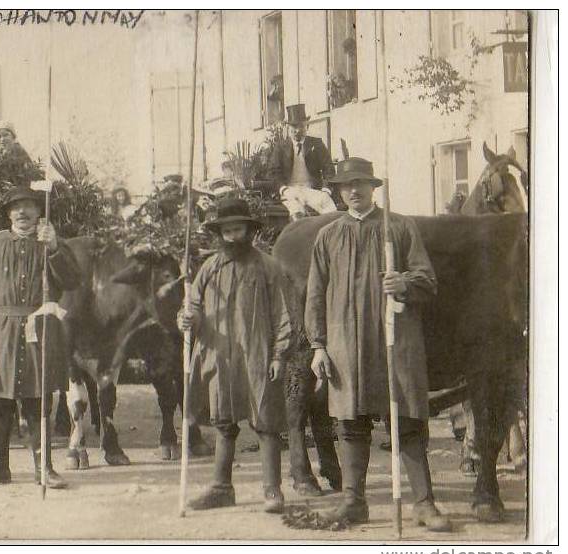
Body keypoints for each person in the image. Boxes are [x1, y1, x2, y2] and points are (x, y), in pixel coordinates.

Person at [305, 157, 452, 531]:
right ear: (339, 191)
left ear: (373, 187)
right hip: (345, 343)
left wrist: (404, 283)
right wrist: (318, 345)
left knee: (407, 420)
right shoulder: (328, 236)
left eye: (360, 183)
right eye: (346, 185)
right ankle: (353, 502)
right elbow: (315, 295)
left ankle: (424, 503)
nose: (353, 190)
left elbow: (427, 280)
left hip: (395, 340)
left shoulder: (398, 227)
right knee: (350, 421)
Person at [179, 198, 292, 514]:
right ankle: (221, 488)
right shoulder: (209, 268)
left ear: (249, 231)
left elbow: (283, 313)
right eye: (227, 231)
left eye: (238, 229)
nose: (232, 236)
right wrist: (187, 318)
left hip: (257, 353)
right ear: (220, 234)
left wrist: (279, 355)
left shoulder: (268, 267)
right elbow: (193, 306)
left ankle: (272, 489)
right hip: (220, 354)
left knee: (265, 421)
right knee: (224, 421)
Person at [0, 183, 81, 487]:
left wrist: (54, 248)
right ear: (9, 215)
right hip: (2, 330)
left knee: (37, 399)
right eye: (16, 208)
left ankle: (44, 467)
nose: (22, 212)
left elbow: (72, 281)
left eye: (28, 207)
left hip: (38, 330)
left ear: (39, 212)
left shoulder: (50, 244)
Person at [269, 104, 339, 218]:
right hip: (290, 191)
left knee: (329, 209)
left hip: (312, 190)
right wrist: (284, 189)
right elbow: (273, 172)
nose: (297, 130)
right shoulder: (281, 147)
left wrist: (326, 190)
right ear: (288, 127)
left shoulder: (316, 144)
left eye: (301, 126)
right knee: (297, 212)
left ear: (307, 126)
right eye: (294, 126)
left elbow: (329, 168)